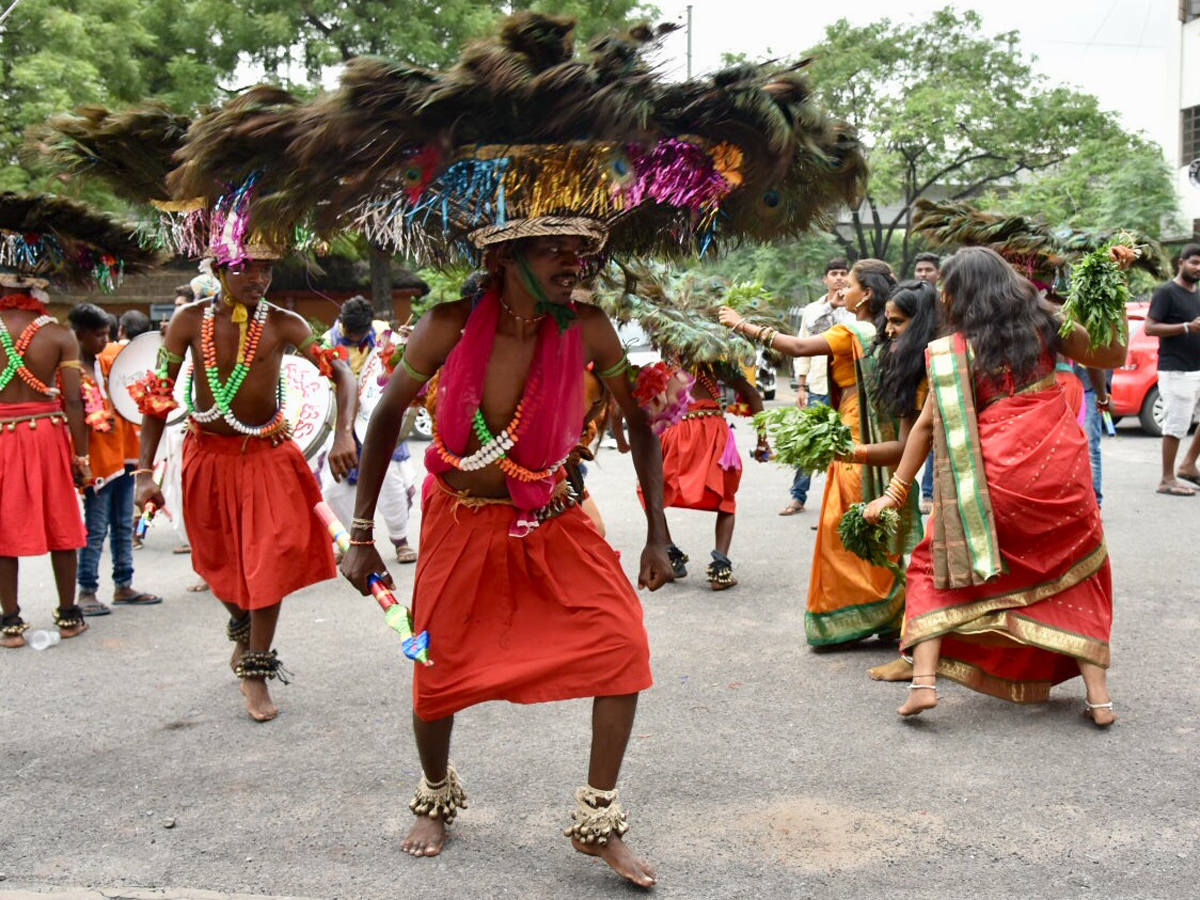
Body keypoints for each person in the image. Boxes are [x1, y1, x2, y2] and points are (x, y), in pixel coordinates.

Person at [341, 222, 672, 887]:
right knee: (433, 665)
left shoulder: (590, 328)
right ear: (503, 257)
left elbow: (637, 421)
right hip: (460, 520)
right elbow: (383, 417)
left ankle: (598, 818)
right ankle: (435, 793)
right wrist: (360, 534)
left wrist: (658, 530)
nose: (573, 263)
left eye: (579, 253)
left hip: (553, 517)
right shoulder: (449, 324)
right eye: (554, 250)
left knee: (621, 646)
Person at [863, 246, 1128, 725]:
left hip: (992, 479)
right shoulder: (1047, 326)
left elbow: (925, 427)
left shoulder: (954, 349)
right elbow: (1113, 354)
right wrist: (1114, 294)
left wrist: (894, 492)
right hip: (1058, 471)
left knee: (932, 564)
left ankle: (924, 684)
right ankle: (1100, 697)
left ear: (959, 294)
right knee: (1080, 567)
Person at [134, 245, 357, 722]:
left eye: (266, 268)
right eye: (245, 267)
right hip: (206, 458)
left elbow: (341, 373)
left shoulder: (284, 323)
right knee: (217, 563)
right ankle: (240, 623)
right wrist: (143, 473)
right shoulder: (188, 322)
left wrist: (342, 434)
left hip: (268, 456)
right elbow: (156, 398)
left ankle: (256, 670)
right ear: (218, 270)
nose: (258, 277)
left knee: (271, 557)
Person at [721, 259, 913, 647]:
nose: (844, 291)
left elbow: (795, 346)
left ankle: (854, 613)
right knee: (867, 522)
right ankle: (886, 610)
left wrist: (742, 324)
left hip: (856, 435)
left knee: (843, 526)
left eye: (852, 286)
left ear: (867, 294)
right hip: (877, 431)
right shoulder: (883, 331)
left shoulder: (853, 331)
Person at [0, 274, 90, 647]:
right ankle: (69, 617)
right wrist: (81, 456)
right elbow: (73, 400)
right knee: (60, 519)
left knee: (3, 528)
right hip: (47, 437)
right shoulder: (58, 334)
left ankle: (10, 623)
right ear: (37, 288)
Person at [68, 303, 161, 615]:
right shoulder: (70, 371)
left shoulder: (108, 362)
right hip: (97, 462)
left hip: (124, 456)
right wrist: (81, 461)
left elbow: (140, 359)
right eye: (97, 335)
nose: (104, 341)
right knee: (95, 529)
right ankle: (87, 590)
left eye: (107, 334)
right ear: (79, 335)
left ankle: (123, 584)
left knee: (123, 524)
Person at [646, 361, 767, 589]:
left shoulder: (666, 368)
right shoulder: (716, 366)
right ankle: (719, 569)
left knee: (651, 492)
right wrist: (762, 441)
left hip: (677, 433)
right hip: (711, 434)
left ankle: (671, 555)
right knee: (725, 498)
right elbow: (753, 396)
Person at [320, 295, 418, 563]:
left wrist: (404, 345)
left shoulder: (381, 331)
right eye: (352, 333)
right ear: (343, 325)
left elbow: (395, 367)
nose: (357, 336)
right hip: (344, 423)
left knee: (392, 484)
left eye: (360, 332)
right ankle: (345, 542)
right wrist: (344, 430)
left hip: (380, 416)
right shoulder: (327, 342)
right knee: (334, 488)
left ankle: (400, 541)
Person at [782, 258, 850, 516]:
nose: (839, 278)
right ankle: (798, 496)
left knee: (846, 444)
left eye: (844, 273)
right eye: (834, 273)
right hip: (819, 385)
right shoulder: (813, 309)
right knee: (810, 442)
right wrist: (801, 386)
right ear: (825, 279)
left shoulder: (855, 308)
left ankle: (840, 503)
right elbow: (803, 345)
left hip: (848, 387)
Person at [1143, 243, 1200, 496]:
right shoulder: (1167, 292)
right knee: (1176, 425)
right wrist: (1186, 327)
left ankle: (1188, 465)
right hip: (1175, 369)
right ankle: (1167, 479)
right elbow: (1149, 327)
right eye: (1194, 262)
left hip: (1197, 368)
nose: (1198, 268)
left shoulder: (1197, 294)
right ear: (1181, 262)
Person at [912, 252, 941, 514]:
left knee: (932, 432)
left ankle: (929, 492)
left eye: (928, 270)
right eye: (919, 269)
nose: (923, 274)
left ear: (938, 273)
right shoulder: (910, 300)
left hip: (937, 374)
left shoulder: (945, 302)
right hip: (912, 376)